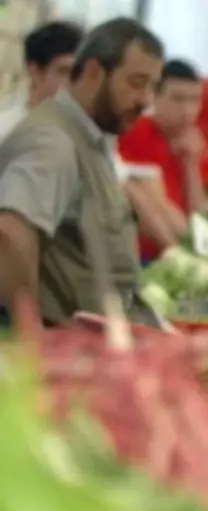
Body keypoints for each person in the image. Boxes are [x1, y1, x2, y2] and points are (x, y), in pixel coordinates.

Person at [0, 18, 164, 326]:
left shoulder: (91, 139)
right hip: (64, 356)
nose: (146, 101)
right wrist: (31, 337)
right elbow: (10, 233)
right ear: (93, 73)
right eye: (136, 83)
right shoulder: (54, 141)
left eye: (153, 87)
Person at [118, 59, 208, 265]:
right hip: (141, 255)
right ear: (154, 98)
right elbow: (144, 202)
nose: (187, 110)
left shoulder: (191, 141)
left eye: (195, 100)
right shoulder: (134, 133)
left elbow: (199, 216)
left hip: (177, 251)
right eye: (177, 99)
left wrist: (191, 165)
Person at [0, 21, 84, 140]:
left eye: (78, 73)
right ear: (34, 71)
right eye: (64, 72)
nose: (74, 83)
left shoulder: (89, 140)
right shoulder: (6, 134)